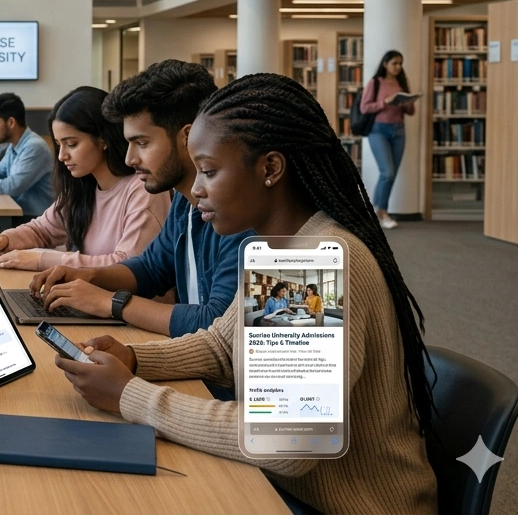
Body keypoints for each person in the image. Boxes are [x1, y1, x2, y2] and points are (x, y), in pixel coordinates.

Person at [52, 72, 438, 514]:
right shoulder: (281, 246)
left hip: (341, 505)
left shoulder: (313, 262)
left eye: (210, 172)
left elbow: (285, 443)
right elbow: (223, 343)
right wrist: (136, 360)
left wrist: (132, 396)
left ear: (270, 168)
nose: (194, 190)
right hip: (290, 489)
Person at [28, 60, 248, 338]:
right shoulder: (184, 201)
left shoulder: (240, 215)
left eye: (142, 143)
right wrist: (87, 277)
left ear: (188, 136)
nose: (130, 159)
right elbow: (150, 268)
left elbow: (217, 321)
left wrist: (110, 302)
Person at [0, 87, 170, 271]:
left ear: (103, 139)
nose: (62, 156)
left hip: (127, 302)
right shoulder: (84, 185)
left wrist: (42, 259)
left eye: (71, 144)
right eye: (58, 145)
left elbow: (126, 265)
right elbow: (42, 230)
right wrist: (5, 240)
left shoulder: (143, 189)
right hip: (91, 297)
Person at [359, 50, 414, 230]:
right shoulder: (375, 83)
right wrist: (386, 102)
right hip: (378, 131)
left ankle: (379, 211)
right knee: (387, 172)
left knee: (391, 175)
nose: (398, 67)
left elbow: (411, 112)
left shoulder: (402, 83)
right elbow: (365, 108)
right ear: (385, 64)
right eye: (394, 63)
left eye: (400, 63)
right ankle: (381, 212)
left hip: (398, 131)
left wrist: (407, 103)